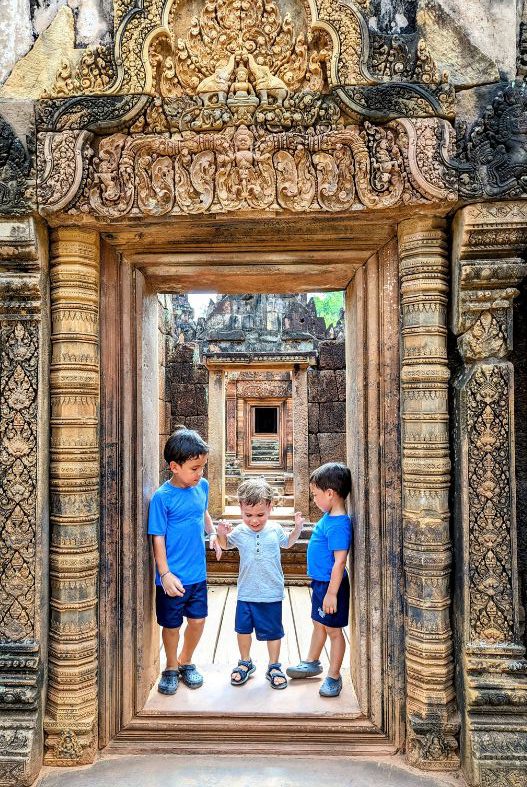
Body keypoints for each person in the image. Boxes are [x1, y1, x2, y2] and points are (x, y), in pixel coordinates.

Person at [147, 428, 221, 695]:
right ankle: (169, 666)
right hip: (172, 576)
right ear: (174, 467)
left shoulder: (201, 486)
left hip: (197, 573)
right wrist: (164, 574)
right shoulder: (162, 498)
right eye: (194, 468)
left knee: (198, 621)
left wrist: (212, 534)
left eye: (202, 467)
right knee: (171, 625)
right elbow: (157, 537)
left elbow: (204, 513)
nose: (200, 473)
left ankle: (185, 660)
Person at [216, 477, 304, 690]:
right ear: (240, 509)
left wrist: (297, 529)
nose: (254, 520)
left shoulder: (274, 529)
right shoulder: (239, 531)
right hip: (246, 592)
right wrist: (221, 534)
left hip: (271, 592)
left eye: (260, 515)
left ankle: (274, 666)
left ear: (270, 508)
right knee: (242, 630)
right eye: (248, 515)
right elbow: (225, 546)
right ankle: (245, 662)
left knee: (273, 631)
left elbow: (288, 543)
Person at [286, 462, 352, 698]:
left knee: (334, 631)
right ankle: (312, 662)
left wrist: (332, 593)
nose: (314, 499)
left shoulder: (339, 525)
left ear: (330, 494)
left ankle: (334, 675)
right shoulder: (328, 517)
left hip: (331, 586)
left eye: (315, 495)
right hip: (321, 584)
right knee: (319, 623)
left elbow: (340, 561)